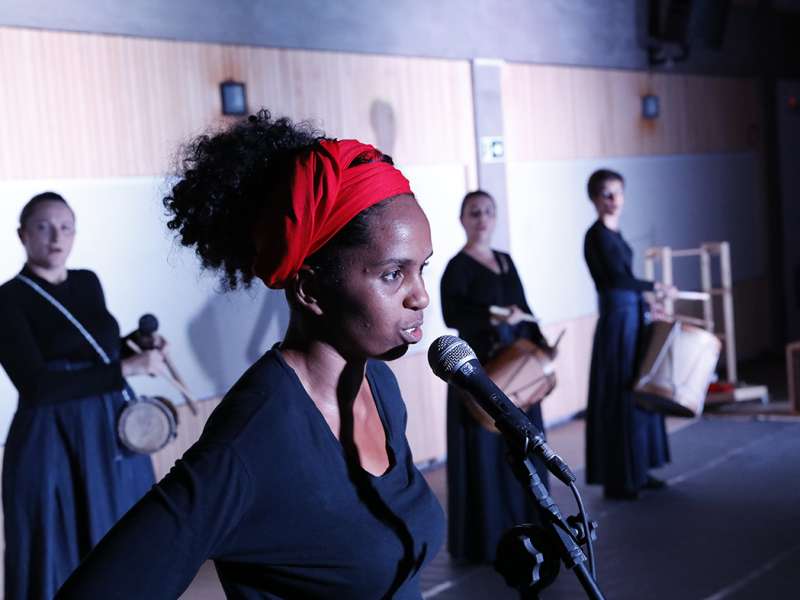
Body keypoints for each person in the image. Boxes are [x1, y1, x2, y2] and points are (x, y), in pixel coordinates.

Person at [57, 110, 445, 599]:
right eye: (393, 274)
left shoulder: (380, 386)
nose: (420, 297)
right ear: (311, 290)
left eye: (421, 269)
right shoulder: (252, 440)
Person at [0, 192, 165, 600]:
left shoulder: (88, 281)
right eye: (43, 227)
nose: (57, 236)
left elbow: (96, 354)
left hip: (107, 429)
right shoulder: (7, 298)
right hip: (51, 436)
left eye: (66, 227)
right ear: (22, 234)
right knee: (58, 545)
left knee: (116, 532)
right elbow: (36, 386)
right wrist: (125, 369)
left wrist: (136, 347)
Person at [440, 190, 554, 564]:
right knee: (485, 454)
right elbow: (452, 316)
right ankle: (487, 538)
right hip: (482, 372)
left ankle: (532, 527)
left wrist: (542, 345)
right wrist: (492, 317)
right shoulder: (456, 267)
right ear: (463, 219)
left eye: (488, 212)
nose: (482, 218)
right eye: (475, 212)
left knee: (525, 447)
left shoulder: (505, 260)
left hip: (516, 367)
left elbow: (523, 304)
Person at [583, 168, 673, 500]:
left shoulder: (615, 234)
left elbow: (627, 279)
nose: (613, 200)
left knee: (638, 388)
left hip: (632, 314)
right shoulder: (595, 236)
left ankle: (640, 468)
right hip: (617, 319)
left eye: (618, 192)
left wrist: (649, 301)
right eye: (606, 194)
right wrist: (655, 287)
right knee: (619, 392)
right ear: (594, 198)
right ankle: (620, 477)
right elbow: (617, 281)